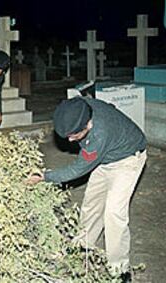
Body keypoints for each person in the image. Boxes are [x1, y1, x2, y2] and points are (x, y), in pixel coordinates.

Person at [27, 97, 147, 282]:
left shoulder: (99, 134)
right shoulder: (80, 107)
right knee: (91, 204)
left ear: (88, 124)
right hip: (105, 158)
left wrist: (44, 176)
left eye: (74, 135)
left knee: (114, 213)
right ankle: (83, 246)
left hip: (127, 159)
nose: (69, 139)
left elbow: (77, 169)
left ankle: (120, 268)